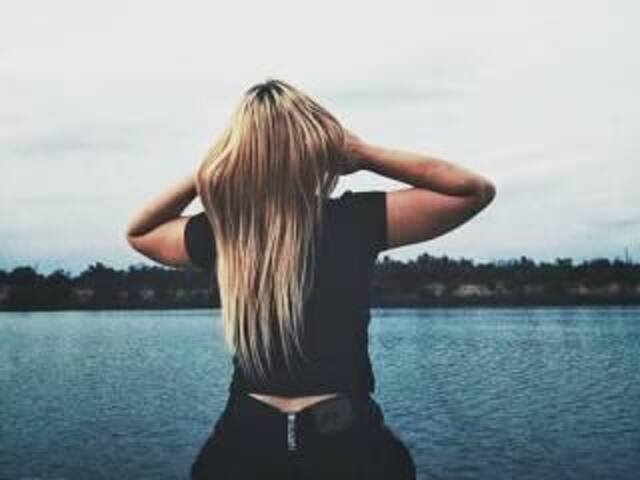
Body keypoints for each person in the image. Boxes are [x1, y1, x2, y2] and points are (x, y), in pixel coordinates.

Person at [125, 78, 496, 479]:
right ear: (317, 146)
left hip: (245, 438)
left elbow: (140, 233)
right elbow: (471, 191)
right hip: (345, 438)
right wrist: (364, 154)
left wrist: (204, 176)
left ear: (238, 155)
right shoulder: (355, 220)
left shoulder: (225, 232)